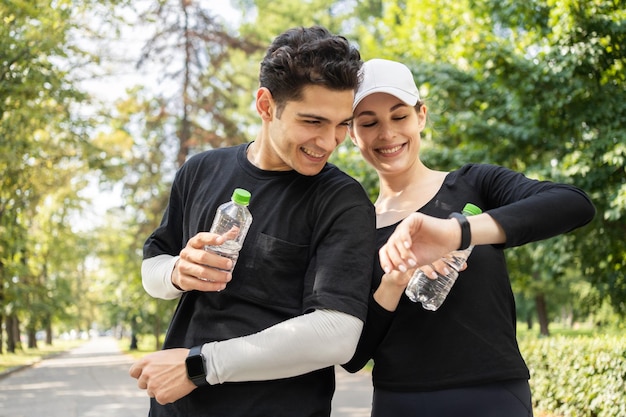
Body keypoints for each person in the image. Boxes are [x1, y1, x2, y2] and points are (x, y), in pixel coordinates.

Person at [129, 26, 376, 417]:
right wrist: (178, 270)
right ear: (265, 105)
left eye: (342, 124)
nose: (330, 142)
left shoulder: (341, 200)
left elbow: (337, 334)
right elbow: (151, 268)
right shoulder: (199, 170)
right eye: (313, 122)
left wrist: (200, 365)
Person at [342, 58, 595, 417]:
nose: (387, 134)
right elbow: (354, 357)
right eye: (369, 123)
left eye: (400, 116)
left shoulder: (474, 183)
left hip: (493, 394)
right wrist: (395, 279)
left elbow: (574, 205)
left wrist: (456, 232)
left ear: (421, 116)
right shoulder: (356, 226)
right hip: (400, 400)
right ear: (353, 133)